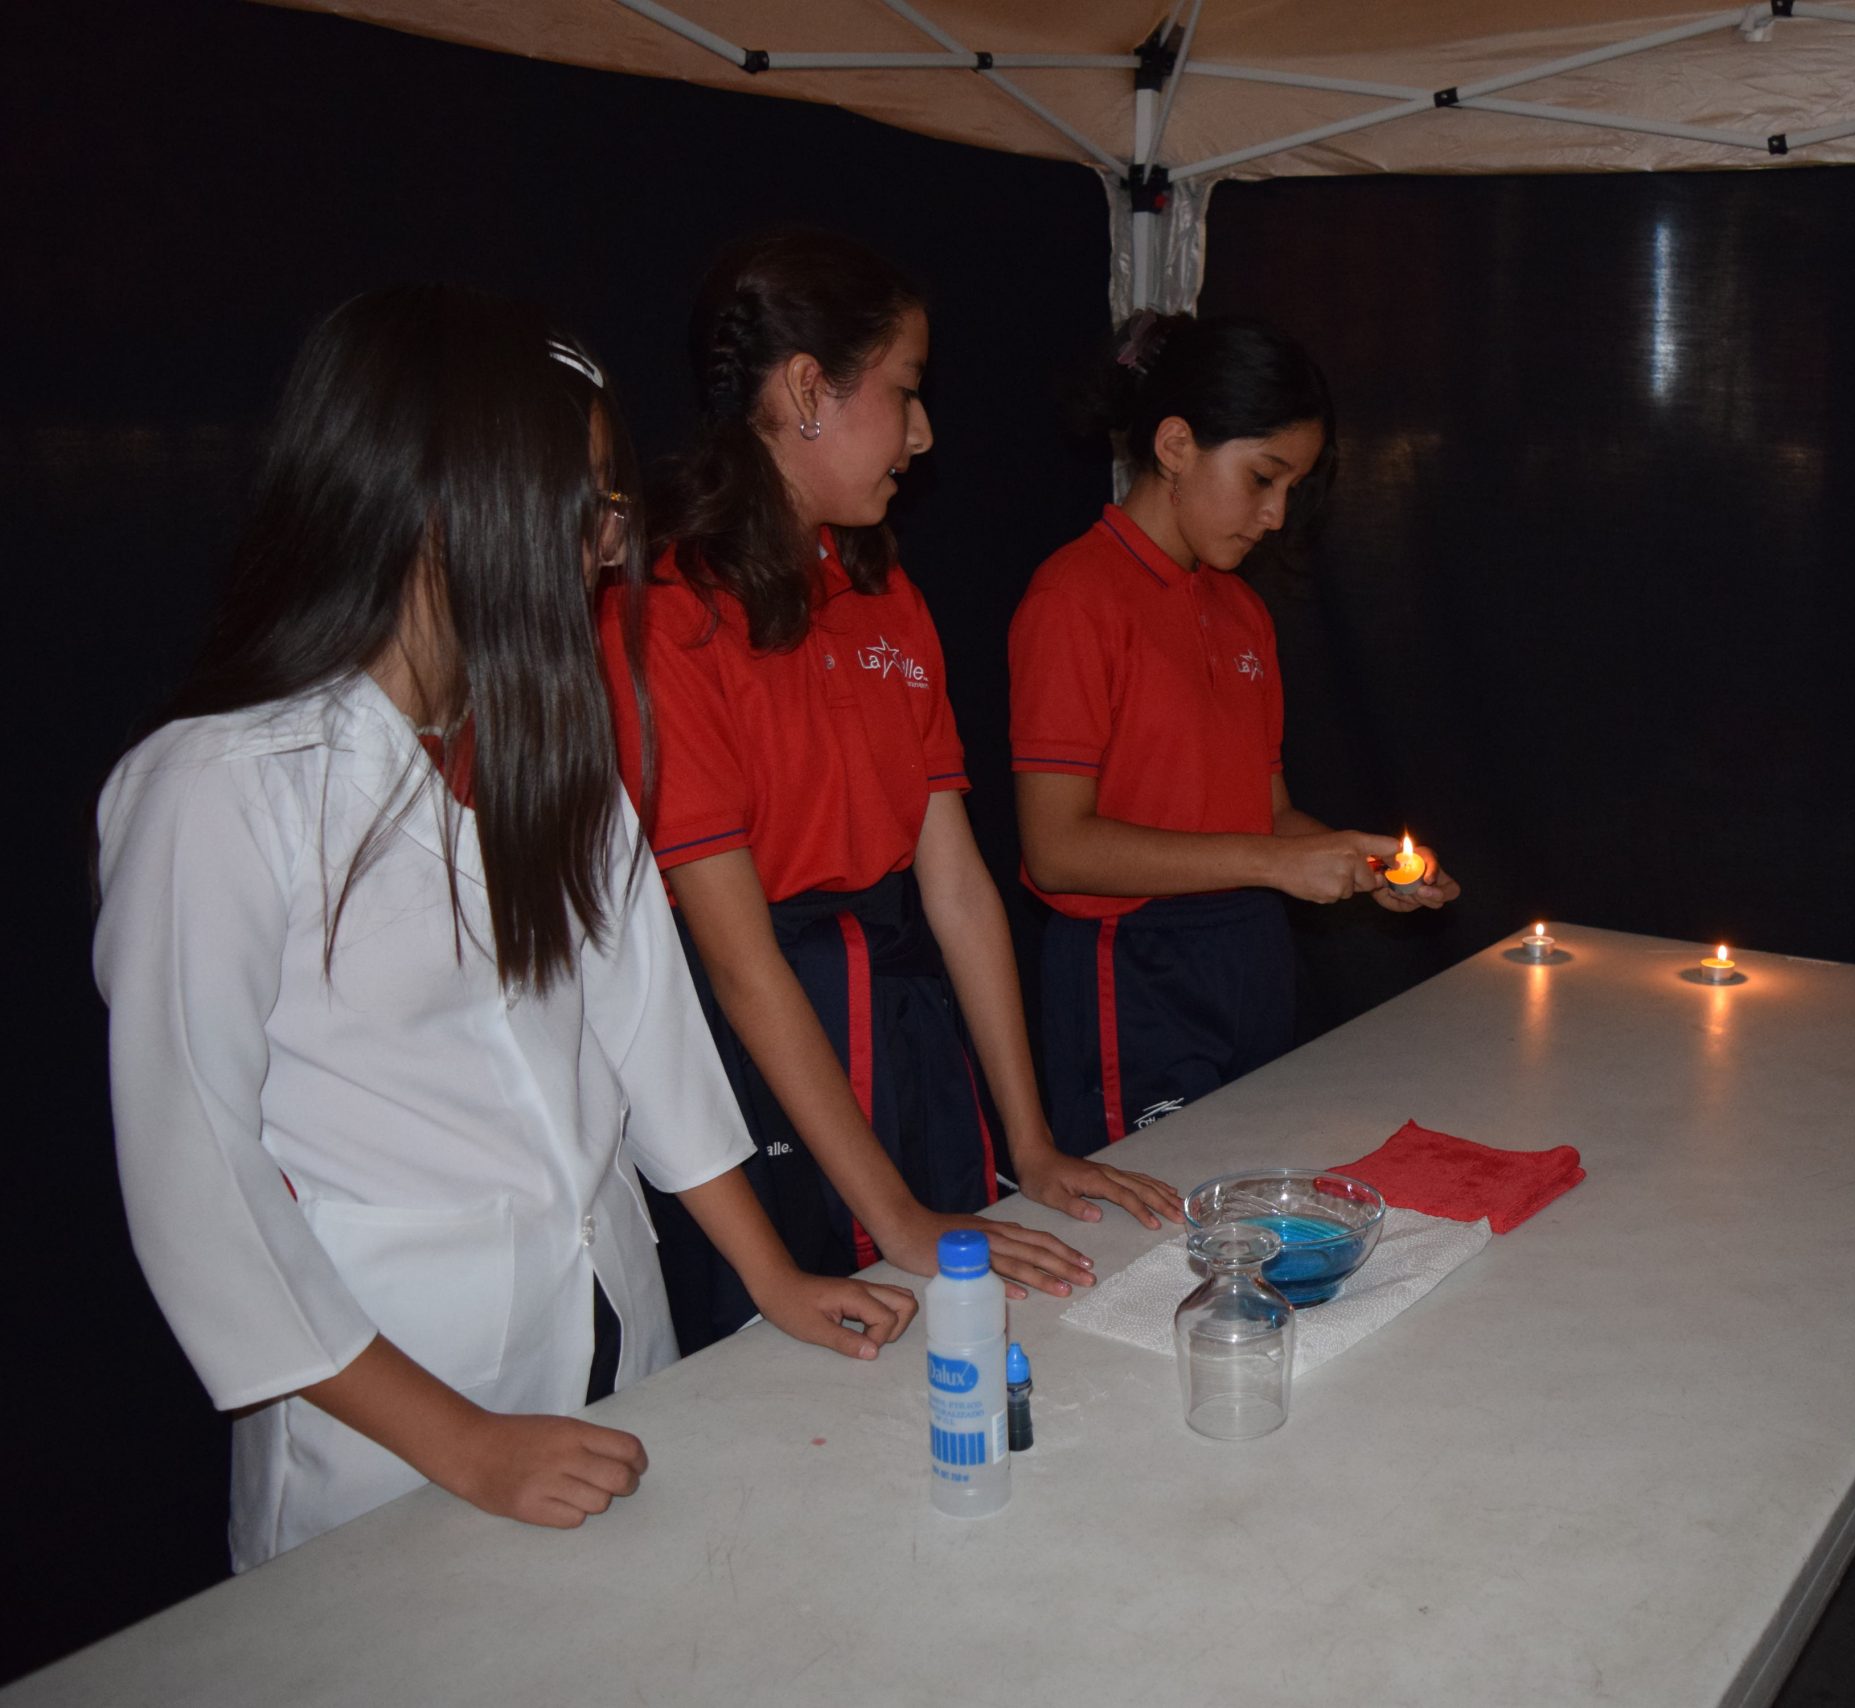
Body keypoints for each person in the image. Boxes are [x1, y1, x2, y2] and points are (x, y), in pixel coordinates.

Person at [93, 287, 916, 1571]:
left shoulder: (548, 748)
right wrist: (466, 1443)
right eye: (581, 499)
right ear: (436, 507)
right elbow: (197, 1178)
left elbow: (650, 1037)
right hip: (397, 1404)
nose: (609, 537)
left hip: (609, 1330)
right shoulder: (219, 789)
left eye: (611, 499)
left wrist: (770, 1276)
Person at [599, 230, 1175, 1348]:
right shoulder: (667, 612)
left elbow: (954, 884)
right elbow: (738, 959)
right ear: (805, 389)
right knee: (804, 1360)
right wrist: (896, 1213)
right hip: (751, 1061)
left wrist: (1031, 1140)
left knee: (967, 1334)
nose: (923, 433)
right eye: (905, 391)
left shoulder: (880, 590)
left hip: (902, 1027)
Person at [1009, 311, 1459, 1156]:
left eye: (1292, 488)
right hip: (1132, 968)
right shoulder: (1075, 597)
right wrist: (1273, 863)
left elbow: (1269, 813)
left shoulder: (1243, 610)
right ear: (1176, 445)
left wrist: (1363, 864)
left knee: (1251, 1192)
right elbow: (1057, 850)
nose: (1277, 515)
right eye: (1262, 478)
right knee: (1153, 1211)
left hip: (1248, 958)